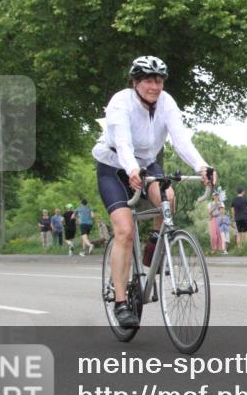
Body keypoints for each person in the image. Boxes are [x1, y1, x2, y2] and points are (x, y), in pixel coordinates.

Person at [91, 55, 213, 330]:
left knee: (168, 198)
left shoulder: (167, 103)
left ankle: (154, 246)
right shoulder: (120, 102)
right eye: (148, 80)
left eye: (158, 80)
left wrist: (201, 165)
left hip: (146, 164)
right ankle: (121, 302)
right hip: (114, 166)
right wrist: (132, 169)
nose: (154, 86)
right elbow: (122, 141)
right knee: (124, 230)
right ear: (135, 82)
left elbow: (181, 138)